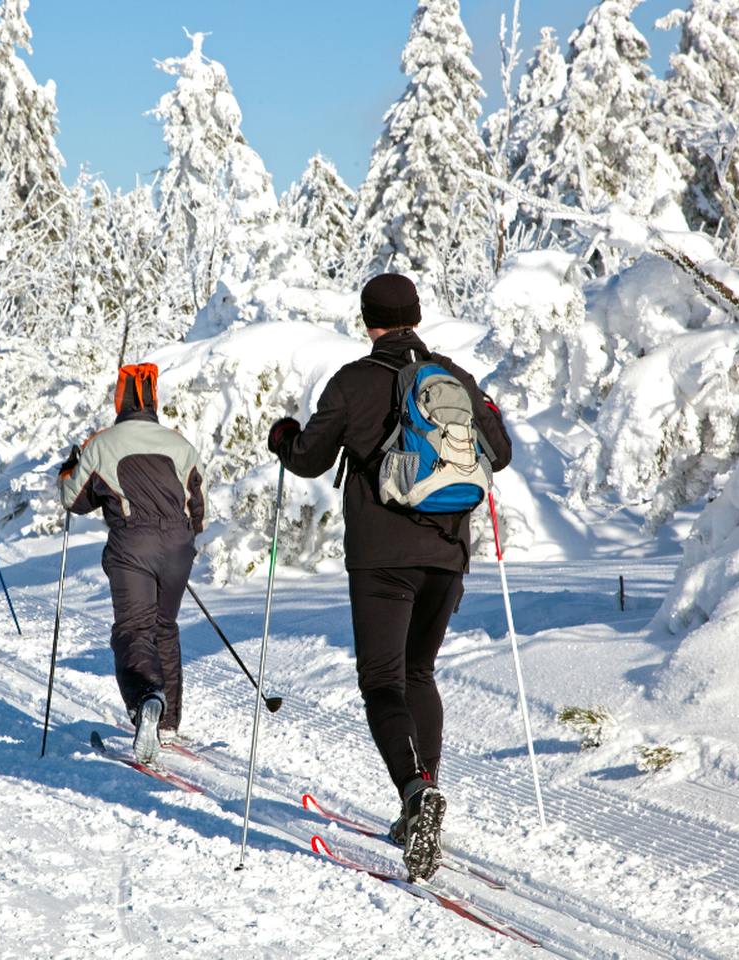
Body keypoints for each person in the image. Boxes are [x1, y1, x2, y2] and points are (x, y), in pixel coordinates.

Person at [267, 273, 512, 881]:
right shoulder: (453, 375)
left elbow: (309, 460)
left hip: (381, 557)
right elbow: (499, 452)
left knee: (382, 682)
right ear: (417, 318)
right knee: (419, 673)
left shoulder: (352, 381)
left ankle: (414, 792)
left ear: (368, 319)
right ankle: (422, 794)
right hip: (449, 551)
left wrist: (283, 438)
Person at [59, 363, 207, 765]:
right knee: (165, 627)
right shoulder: (180, 444)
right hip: (178, 546)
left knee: (133, 628)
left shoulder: (102, 444)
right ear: (153, 400)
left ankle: (147, 702)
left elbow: (75, 500)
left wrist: (67, 471)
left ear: (119, 399)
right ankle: (168, 721)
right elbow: (198, 503)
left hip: (131, 545)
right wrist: (183, 541)